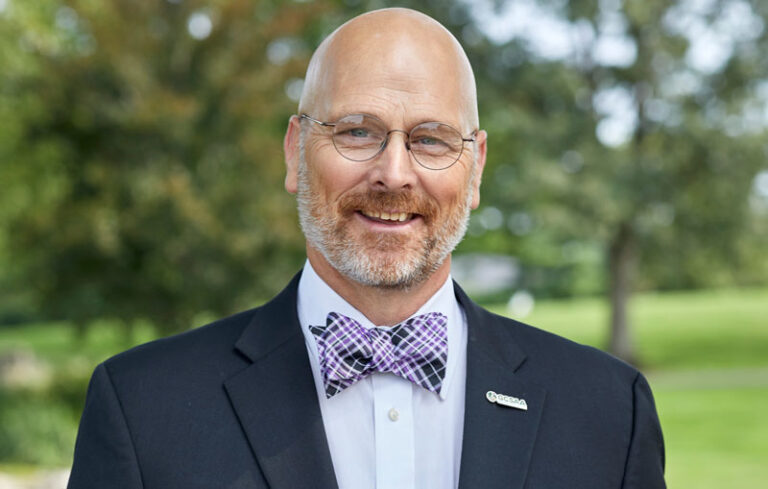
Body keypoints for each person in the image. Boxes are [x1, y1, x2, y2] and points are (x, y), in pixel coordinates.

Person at [68, 8, 665, 489]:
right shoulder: (142, 409)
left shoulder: (610, 411)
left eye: (431, 140)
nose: (394, 174)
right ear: (295, 152)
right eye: (357, 131)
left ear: (477, 167)